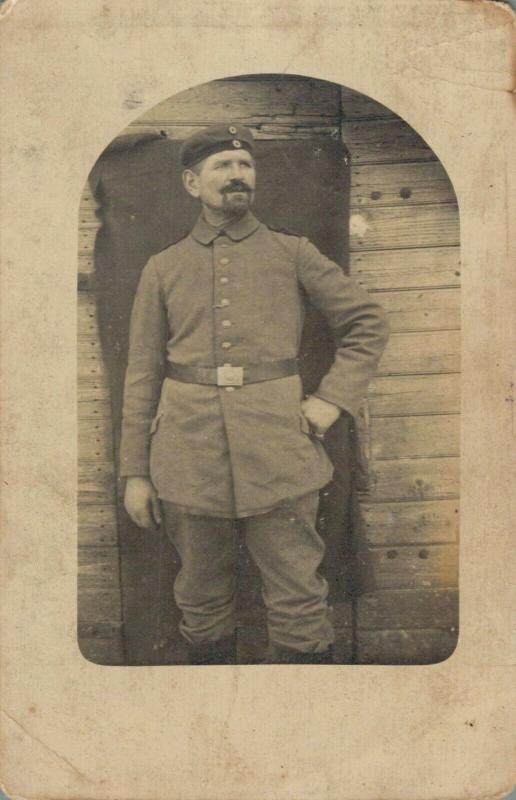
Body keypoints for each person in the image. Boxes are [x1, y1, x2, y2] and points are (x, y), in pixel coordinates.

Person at [119, 123, 389, 665]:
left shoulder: (293, 253)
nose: (238, 175)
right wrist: (135, 472)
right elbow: (142, 374)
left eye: (245, 167)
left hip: (279, 453)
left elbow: (366, 323)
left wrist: (330, 400)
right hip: (188, 456)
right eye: (223, 166)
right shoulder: (163, 268)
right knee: (200, 601)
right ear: (192, 183)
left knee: (297, 597)